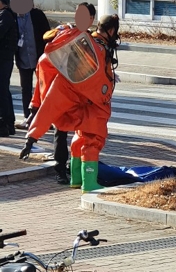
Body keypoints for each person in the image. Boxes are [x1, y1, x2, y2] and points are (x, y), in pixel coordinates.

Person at [19, 14, 120, 193]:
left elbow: (50, 103)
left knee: (78, 139)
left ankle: (76, 178)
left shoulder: (86, 44)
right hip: (94, 106)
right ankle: (89, 183)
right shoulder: (100, 50)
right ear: (112, 31)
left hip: (80, 104)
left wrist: (32, 136)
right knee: (92, 141)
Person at [27, 2, 96, 184]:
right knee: (61, 130)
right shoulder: (65, 32)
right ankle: (60, 170)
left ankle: (77, 170)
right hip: (61, 91)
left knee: (83, 133)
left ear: (91, 19)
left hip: (81, 94)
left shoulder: (91, 39)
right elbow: (46, 55)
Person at [11, 0, 50, 130]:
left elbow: (47, 34)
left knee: (43, 88)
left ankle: (44, 118)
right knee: (25, 88)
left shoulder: (37, 15)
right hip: (22, 58)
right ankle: (28, 117)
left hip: (40, 57)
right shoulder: (12, 17)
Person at [0, 0, 18, 137]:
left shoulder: (5, 15)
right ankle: (8, 123)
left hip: (4, 59)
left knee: (2, 91)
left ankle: (6, 124)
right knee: (4, 91)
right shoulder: (7, 15)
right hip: (5, 58)